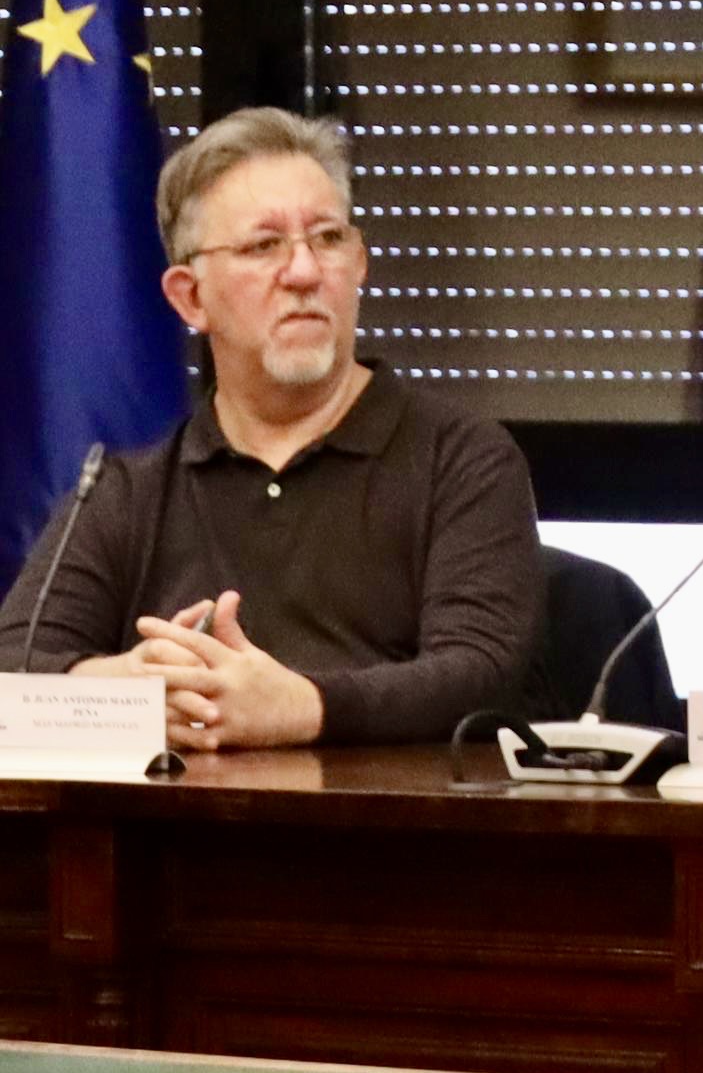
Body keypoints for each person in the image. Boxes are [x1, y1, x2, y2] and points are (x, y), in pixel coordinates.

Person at [0, 106, 539, 750]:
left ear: (359, 264)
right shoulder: (126, 491)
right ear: (190, 297)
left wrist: (303, 706)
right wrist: (136, 689)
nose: (305, 273)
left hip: (389, 815)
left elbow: (483, 674)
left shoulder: (462, 460)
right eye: (264, 246)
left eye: (328, 239)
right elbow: (15, 663)